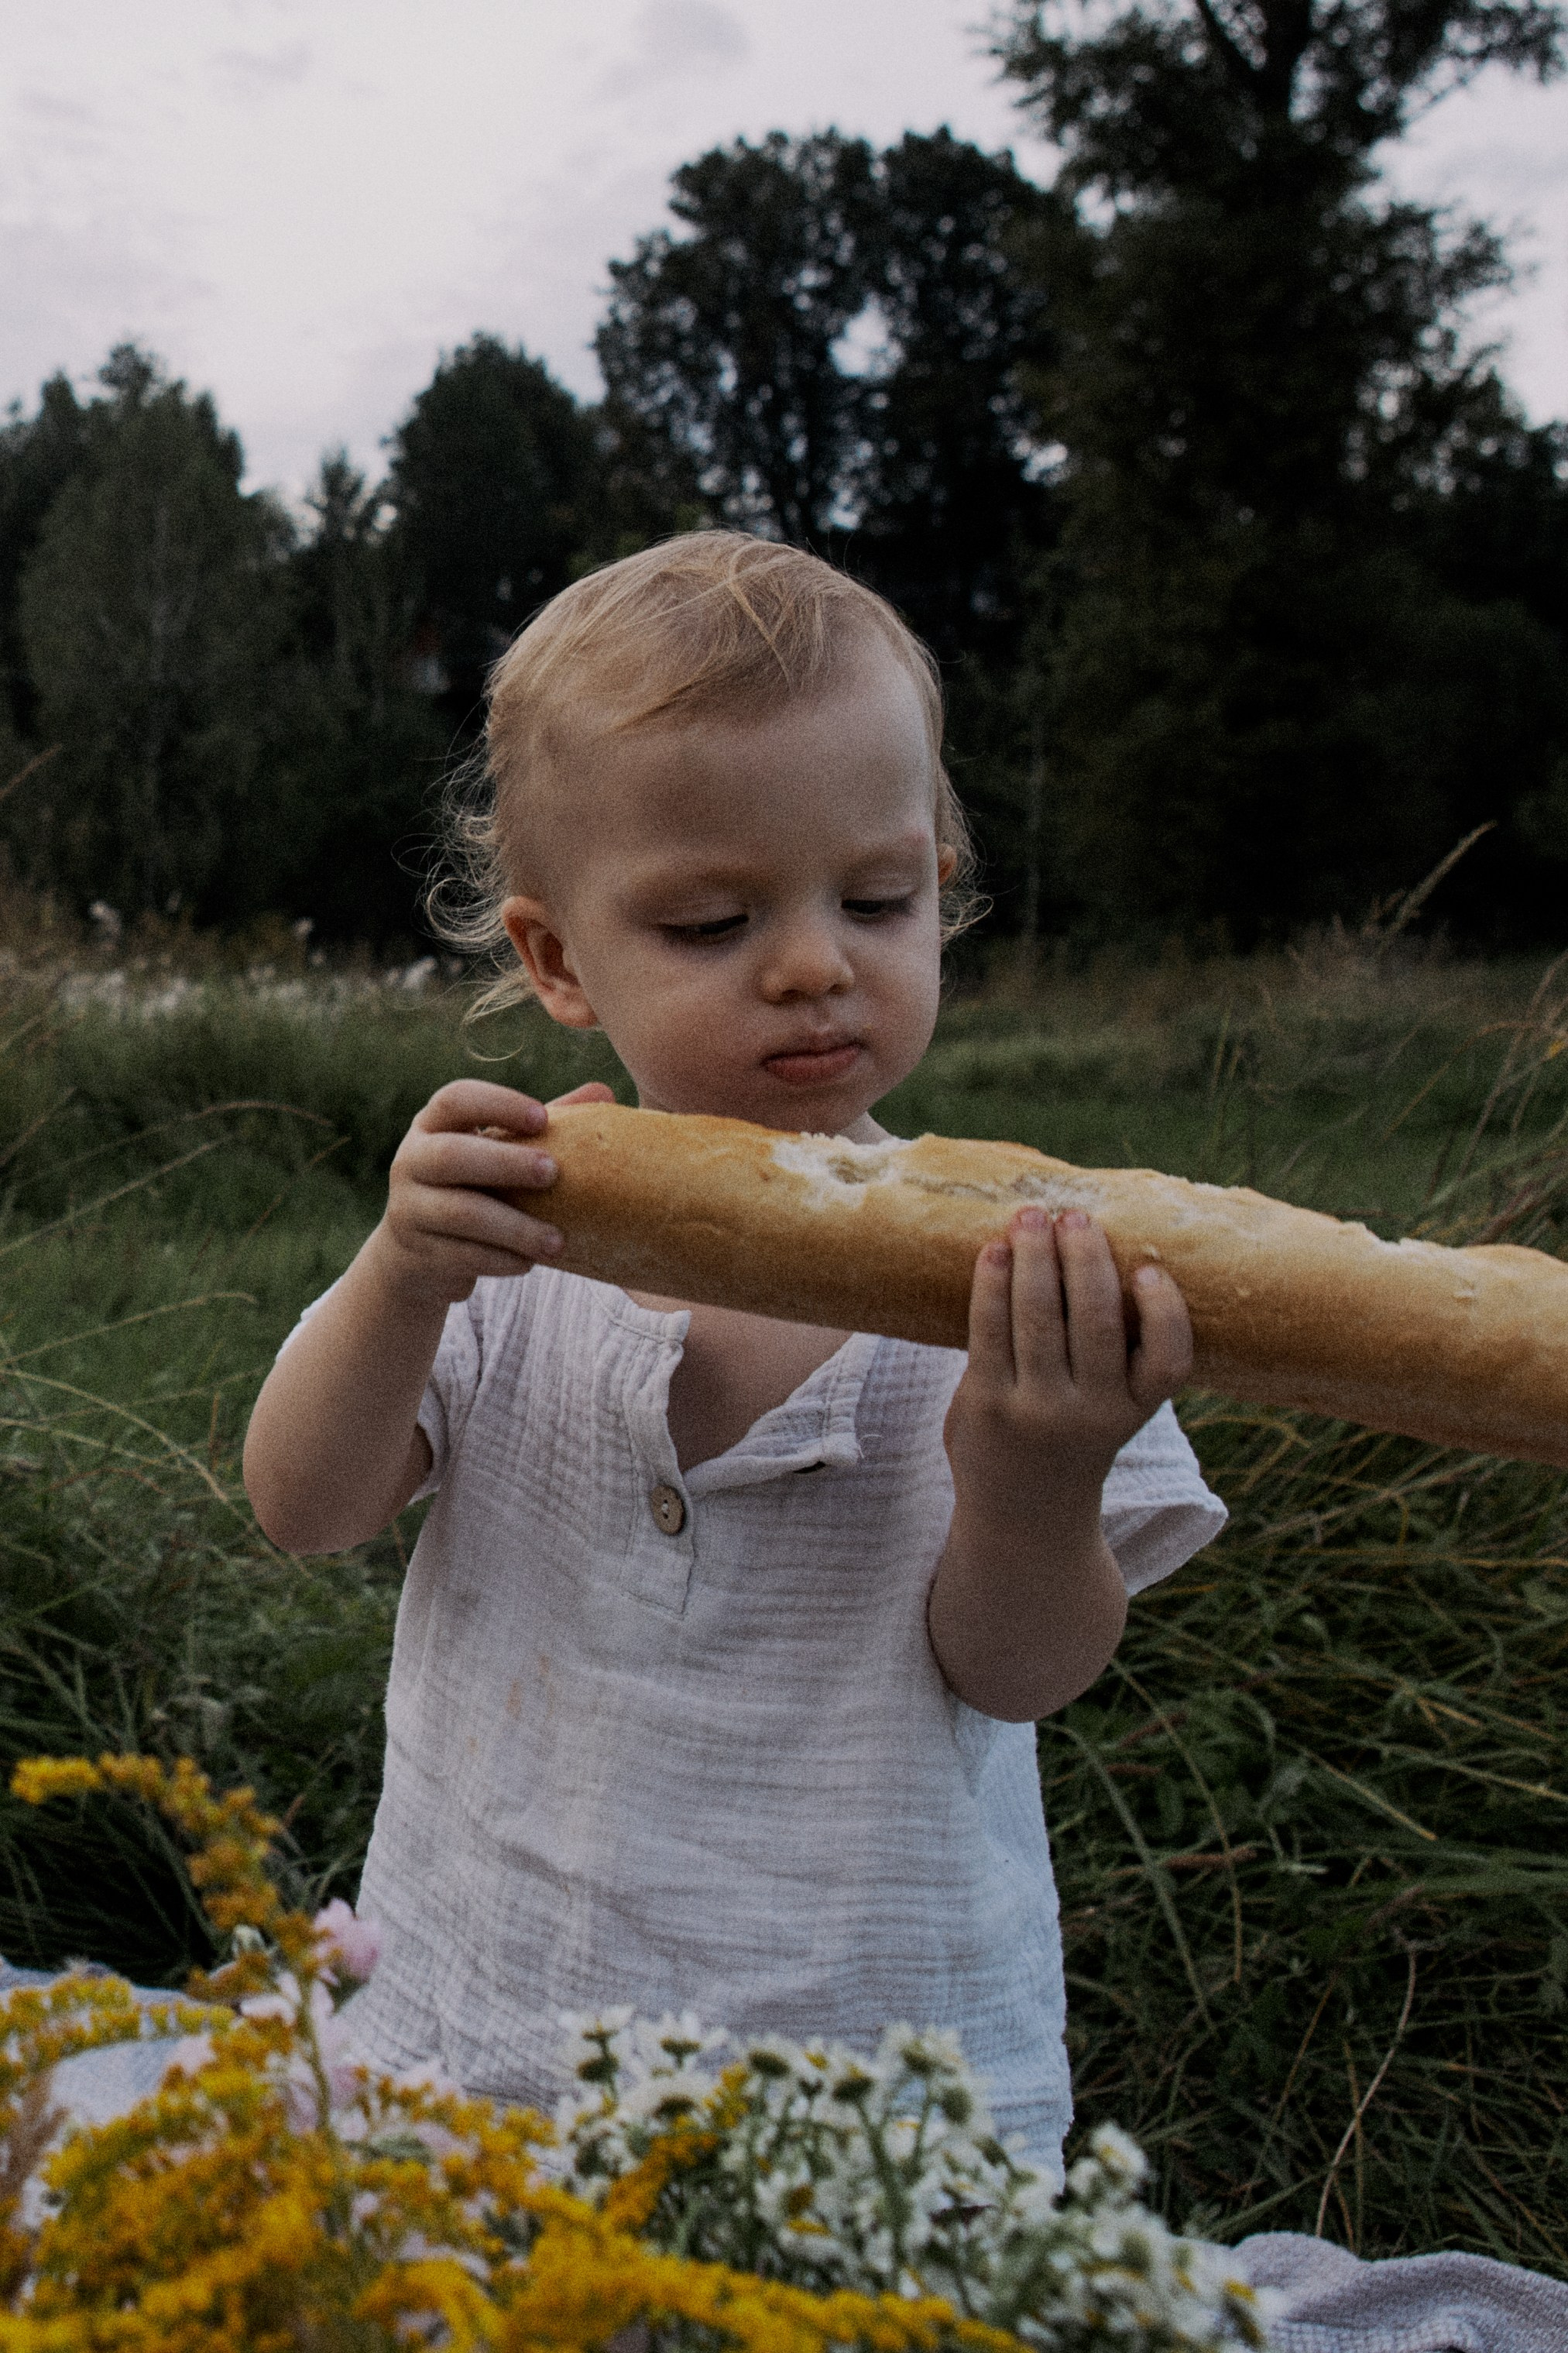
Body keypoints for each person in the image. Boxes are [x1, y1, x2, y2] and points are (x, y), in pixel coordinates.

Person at [242, 531, 1226, 2173]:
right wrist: (401, 1275)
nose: (811, 961)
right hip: (486, 2050)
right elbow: (303, 1503)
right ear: (557, 960)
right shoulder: (506, 1228)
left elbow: (1017, 1671)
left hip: (868, 2105)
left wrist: (1037, 1474)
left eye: (877, 897)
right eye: (711, 919)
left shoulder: (1015, 1278)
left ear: (939, 885)